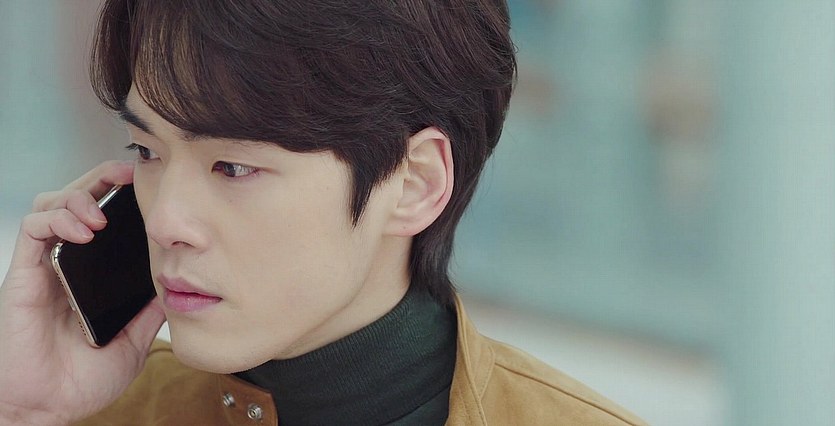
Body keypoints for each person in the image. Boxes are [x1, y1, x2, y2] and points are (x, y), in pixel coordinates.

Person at [0, 1, 646, 425]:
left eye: (234, 167)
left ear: (414, 183)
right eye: (146, 151)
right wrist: (22, 411)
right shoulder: (88, 408)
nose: (165, 221)